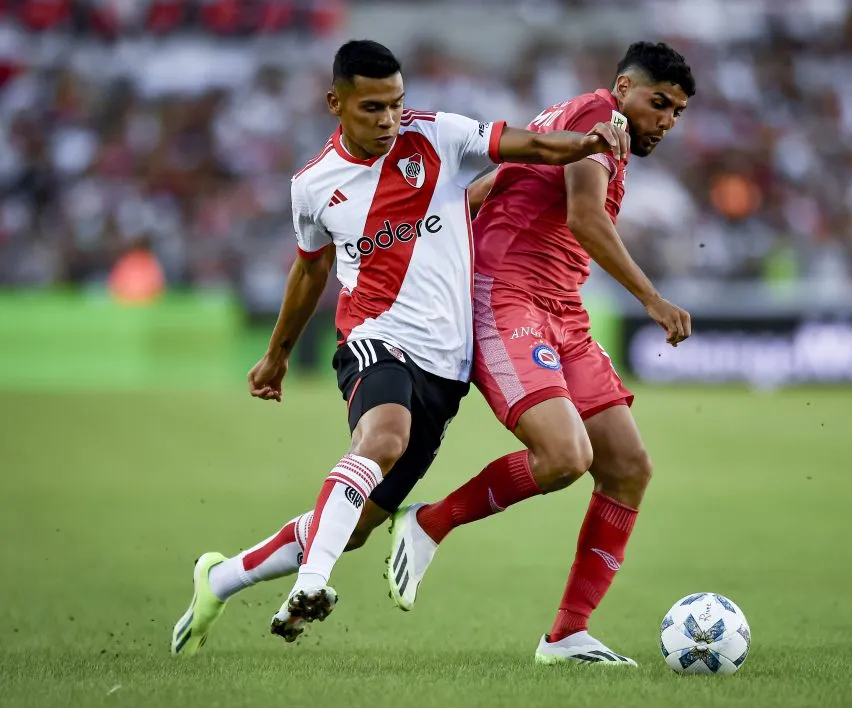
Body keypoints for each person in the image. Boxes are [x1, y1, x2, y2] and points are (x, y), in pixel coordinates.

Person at [170, 39, 628, 657]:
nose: (389, 119)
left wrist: (591, 143)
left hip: (447, 367)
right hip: (374, 339)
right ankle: (311, 584)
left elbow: (538, 146)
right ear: (337, 103)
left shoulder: (440, 136)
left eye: (396, 104)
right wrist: (277, 354)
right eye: (373, 108)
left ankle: (219, 579)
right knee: (381, 439)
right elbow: (309, 272)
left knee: (353, 529)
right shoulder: (313, 186)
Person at [385, 41, 696, 666]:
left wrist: (441, 234)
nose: (665, 119)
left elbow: (493, 183)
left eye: (677, 112)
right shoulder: (596, 119)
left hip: (561, 310)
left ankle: (567, 635)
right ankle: (428, 523)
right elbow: (584, 217)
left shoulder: (576, 121)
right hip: (508, 299)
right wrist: (653, 299)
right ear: (624, 87)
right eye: (658, 102)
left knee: (628, 467)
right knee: (563, 456)